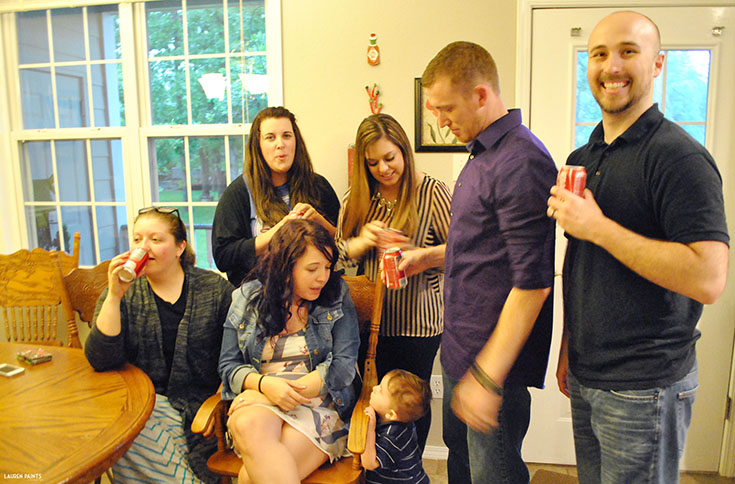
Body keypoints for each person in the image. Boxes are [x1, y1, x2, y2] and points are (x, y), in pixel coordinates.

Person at [548, 11, 729, 484]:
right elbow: (582, 263)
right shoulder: (582, 158)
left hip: (647, 384)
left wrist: (600, 227)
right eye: (600, 54)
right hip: (589, 374)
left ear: (657, 64)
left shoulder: (680, 157)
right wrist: (569, 343)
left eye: (628, 51)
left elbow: (709, 278)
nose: (611, 66)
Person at [422, 42, 556, 484]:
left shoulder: (522, 162)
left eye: (445, 108)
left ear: (481, 95)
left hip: (491, 368)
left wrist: (486, 377)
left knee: (493, 475)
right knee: (462, 471)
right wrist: (424, 257)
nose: (440, 121)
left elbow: (533, 281)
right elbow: (483, 249)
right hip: (462, 352)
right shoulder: (482, 156)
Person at [85, 206, 234, 484]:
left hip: (201, 409)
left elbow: (235, 357)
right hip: (143, 403)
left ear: (180, 247)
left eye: (156, 239)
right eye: (138, 240)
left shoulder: (215, 291)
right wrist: (115, 296)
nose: (144, 247)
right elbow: (101, 359)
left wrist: (218, 403)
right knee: (129, 422)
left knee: (127, 433)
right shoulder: (124, 293)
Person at [335, 112, 451, 451]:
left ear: (403, 151)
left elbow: (460, 254)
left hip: (419, 326)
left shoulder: (431, 191)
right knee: (373, 404)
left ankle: (409, 469)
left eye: (390, 158)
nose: (384, 169)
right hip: (370, 325)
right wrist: (361, 243)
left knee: (411, 405)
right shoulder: (356, 198)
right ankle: (380, 468)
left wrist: (417, 253)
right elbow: (334, 260)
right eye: (372, 163)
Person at [218, 218, 360, 484]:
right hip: (260, 402)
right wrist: (264, 387)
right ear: (285, 267)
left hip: (318, 405)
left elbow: (342, 367)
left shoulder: (335, 294)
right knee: (247, 424)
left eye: (328, 267)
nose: (323, 277)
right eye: (312, 268)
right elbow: (228, 366)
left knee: (250, 478)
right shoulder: (247, 297)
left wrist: (271, 396)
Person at [212, 106, 341, 286]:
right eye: (270, 137)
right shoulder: (239, 193)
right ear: (258, 144)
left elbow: (343, 246)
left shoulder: (319, 186)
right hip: (261, 299)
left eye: (287, 135)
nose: (280, 144)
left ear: (296, 141)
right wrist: (278, 231)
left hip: (317, 298)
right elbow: (224, 256)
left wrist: (320, 222)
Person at [362, 369, 432, 484]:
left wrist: (370, 429)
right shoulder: (403, 421)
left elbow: (369, 463)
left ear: (391, 414)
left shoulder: (393, 435)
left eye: (380, 391)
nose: (374, 388)